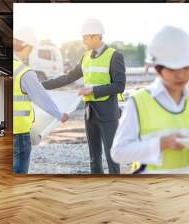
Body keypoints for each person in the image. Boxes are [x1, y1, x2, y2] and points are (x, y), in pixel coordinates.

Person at [111, 26, 189, 174]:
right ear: (158, 69)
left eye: (186, 67)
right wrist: (161, 144)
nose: (181, 75)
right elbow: (118, 152)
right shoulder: (139, 102)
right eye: (173, 69)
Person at [42, 18, 126, 174]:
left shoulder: (115, 56)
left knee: (112, 157)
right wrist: (41, 85)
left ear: (96, 37)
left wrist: (92, 90)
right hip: (90, 113)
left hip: (108, 113)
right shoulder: (85, 57)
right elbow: (68, 77)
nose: (83, 41)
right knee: (94, 157)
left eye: (85, 38)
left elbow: (120, 86)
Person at [13, 27, 69, 174]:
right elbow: (42, 98)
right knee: (19, 170)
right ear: (25, 46)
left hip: (7, 131)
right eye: (30, 49)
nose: (30, 53)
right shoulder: (24, 72)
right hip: (19, 132)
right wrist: (59, 114)